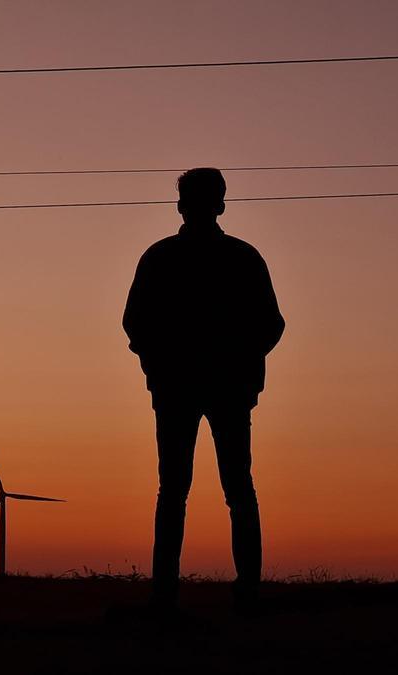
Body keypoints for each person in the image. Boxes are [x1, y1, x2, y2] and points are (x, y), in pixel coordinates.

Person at [123, 167, 285, 611]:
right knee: (237, 488)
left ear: (181, 205)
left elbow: (134, 324)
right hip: (224, 389)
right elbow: (272, 325)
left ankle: (165, 593)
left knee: (173, 490)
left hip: (181, 389)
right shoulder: (242, 258)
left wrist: (158, 365)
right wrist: (243, 364)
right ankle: (246, 590)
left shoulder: (160, 258)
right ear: (221, 204)